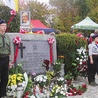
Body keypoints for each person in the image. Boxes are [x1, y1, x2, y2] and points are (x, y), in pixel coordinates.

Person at [0, 20, 12, 98]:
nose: (4, 27)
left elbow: (9, 50)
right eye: (3, 25)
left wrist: (10, 61)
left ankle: (3, 94)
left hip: (6, 58)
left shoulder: (7, 36)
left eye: (5, 26)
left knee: (5, 77)